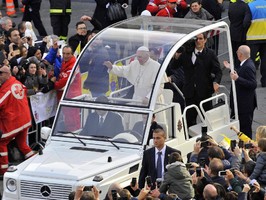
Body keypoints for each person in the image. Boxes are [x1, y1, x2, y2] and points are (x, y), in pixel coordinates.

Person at [169, 33, 222, 127]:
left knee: (208, 119)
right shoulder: (186, 53)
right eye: (196, 39)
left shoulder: (210, 54)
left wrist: (216, 82)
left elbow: (218, 71)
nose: (198, 41)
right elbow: (174, 66)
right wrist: (176, 57)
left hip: (205, 92)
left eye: (200, 39)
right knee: (189, 120)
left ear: (205, 40)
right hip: (190, 93)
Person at [0, 65, 34, 175]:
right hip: (25, 120)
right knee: (22, 144)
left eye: (1, 74)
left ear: (7, 73)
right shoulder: (17, 83)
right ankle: (34, 163)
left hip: (14, 121)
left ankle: (3, 171)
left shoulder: (6, 89)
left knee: (2, 142)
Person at [223, 45, 257, 139]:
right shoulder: (246, 64)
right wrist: (231, 68)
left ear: (240, 55)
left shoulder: (248, 66)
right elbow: (241, 73)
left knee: (244, 129)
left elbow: (253, 84)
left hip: (245, 105)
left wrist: (238, 79)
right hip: (243, 104)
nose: (236, 53)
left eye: (237, 52)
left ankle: (247, 148)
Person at [245, 0, 266, 87]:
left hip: (253, 37)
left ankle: (251, 81)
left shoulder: (251, 5)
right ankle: (265, 82)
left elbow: (246, 22)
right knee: (265, 60)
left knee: (251, 61)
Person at [228, 0, 250, 69]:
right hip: (242, 34)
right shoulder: (246, 6)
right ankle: (240, 69)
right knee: (242, 53)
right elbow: (246, 22)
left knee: (235, 53)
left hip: (233, 32)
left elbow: (230, 18)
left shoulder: (231, 6)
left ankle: (235, 68)